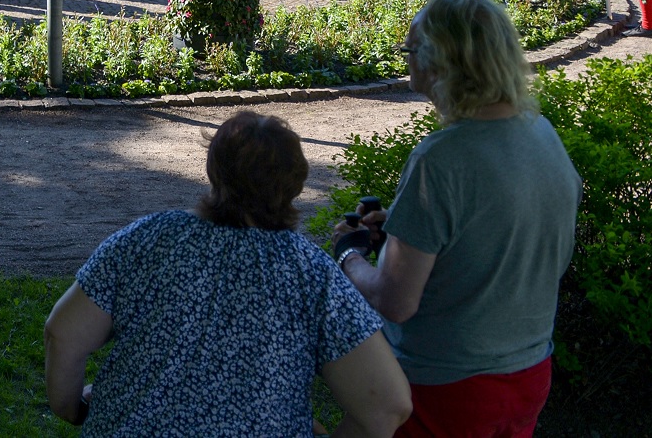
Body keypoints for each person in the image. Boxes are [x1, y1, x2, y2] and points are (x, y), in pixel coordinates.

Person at [46, 110, 410, 436]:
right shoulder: (311, 273)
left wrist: (71, 409)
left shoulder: (145, 238)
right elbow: (388, 406)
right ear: (296, 184)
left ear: (214, 170)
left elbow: (62, 334)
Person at [337, 0, 580, 437]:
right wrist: (406, 230)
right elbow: (498, 234)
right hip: (529, 373)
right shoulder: (541, 134)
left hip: (446, 387)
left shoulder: (440, 159)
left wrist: (349, 255)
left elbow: (395, 301)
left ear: (440, 63)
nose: (407, 61)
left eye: (411, 50)